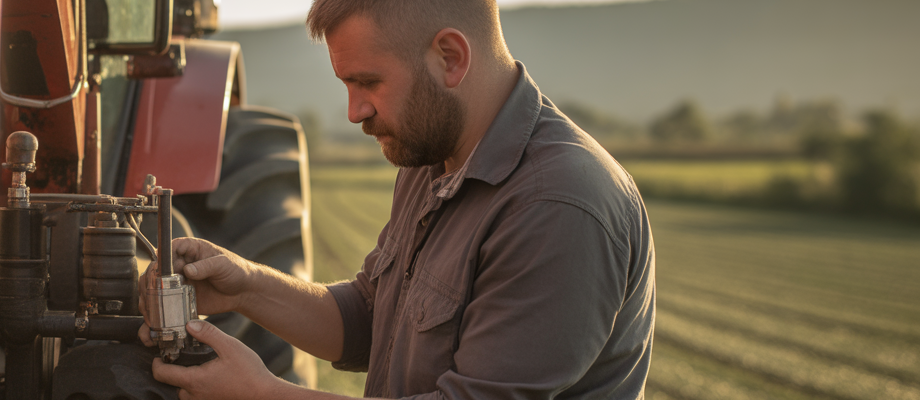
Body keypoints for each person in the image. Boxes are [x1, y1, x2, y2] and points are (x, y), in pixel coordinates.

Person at [138, 0, 656, 398]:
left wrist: (265, 393)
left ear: (450, 58)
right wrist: (244, 287)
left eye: (368, 82)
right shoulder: (434, 160)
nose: (353, 111)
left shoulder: (557, 205)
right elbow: (369, 318)